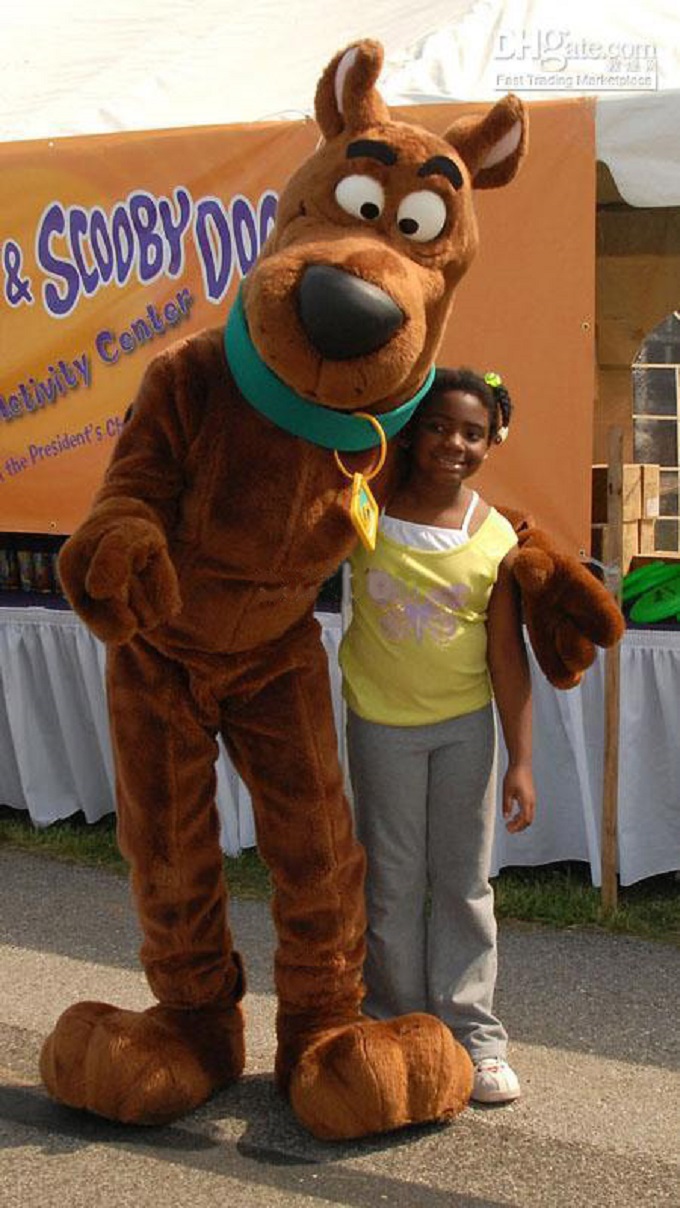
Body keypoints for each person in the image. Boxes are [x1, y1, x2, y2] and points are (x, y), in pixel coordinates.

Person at [340, 367, 536, 1105]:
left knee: (463, 882)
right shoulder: (365, 511)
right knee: (391, 882)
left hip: (463, 731)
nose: (455, 443)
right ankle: (392, 1021)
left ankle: (474, 1035)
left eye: (473, 433)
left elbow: (506, 655)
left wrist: (522, 760)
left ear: (492, 442)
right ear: (412, 431)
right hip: (381, 726)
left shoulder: (496, 536)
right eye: (440, 426)